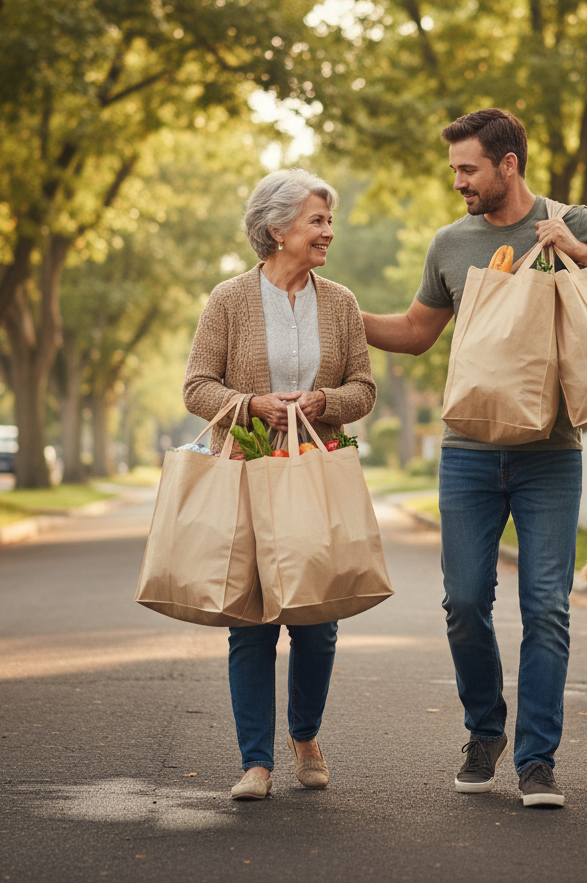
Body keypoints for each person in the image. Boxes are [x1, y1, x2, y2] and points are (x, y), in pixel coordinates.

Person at [361, 109, 587, 807]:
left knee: (546, 608)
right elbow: (415, 333)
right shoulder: (450, 243)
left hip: (550, 456)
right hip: (470, 452)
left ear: (508, 164)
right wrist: (339, 311)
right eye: (454, 171)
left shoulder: (574, 221)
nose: (459, 182)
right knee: (465, 602)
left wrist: (580, 250)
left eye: (468, 169)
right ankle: (484, 729)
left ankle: (538, 760)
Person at [183, 168, 377, 801]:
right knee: (253, 619)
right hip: (247, 474)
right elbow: (197, 387)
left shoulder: (342, 303)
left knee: (318, 618)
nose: (328, 231)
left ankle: (305, 734)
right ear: (276, 229)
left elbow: (364, 391)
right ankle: (256, 763)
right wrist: (253, 404)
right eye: (316, 221)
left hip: (317, 474)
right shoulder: (229, 300)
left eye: (327, 220)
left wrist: (321, 402)